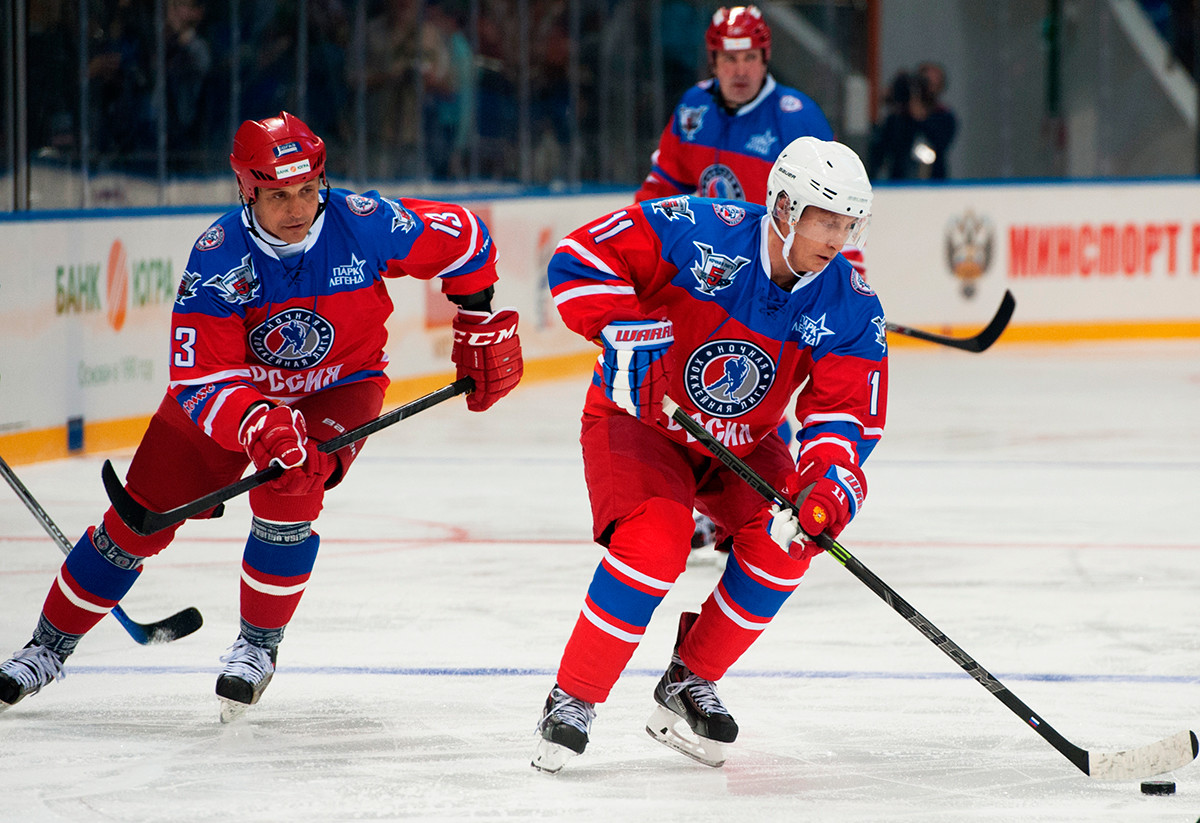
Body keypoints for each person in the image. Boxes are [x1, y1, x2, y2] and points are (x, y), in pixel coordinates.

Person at [0, 112, 523, 722]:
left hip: (339, 389)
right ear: (246, 190)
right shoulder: (218, 257)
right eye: (278, 195)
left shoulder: (364, 223)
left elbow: (464, 238)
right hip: (234, 401)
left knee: (292, 490)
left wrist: (478, 318)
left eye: (307, 190)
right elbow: (200, 380)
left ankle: (256, 646)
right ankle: (45, 649)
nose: (298, 207)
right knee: (137, 523)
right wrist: (259, 424)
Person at [533, 136, 888, 773]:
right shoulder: (697, 228)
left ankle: (688, 680)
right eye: (825, 220)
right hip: (641, 423)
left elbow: (845, 413)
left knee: (790, 540)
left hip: (743, 444)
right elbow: (579, 257)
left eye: (847, 223)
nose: (838, 238)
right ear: (782, 208)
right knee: (656, 543)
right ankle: (574, 697)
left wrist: (826, 483)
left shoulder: (850, 303)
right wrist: (623, 331)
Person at [634, 5, 834, 205]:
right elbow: (664, 185)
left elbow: (829, 202)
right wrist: (638, 227)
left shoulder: (800, 118)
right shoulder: (693, 106)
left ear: (765, 59)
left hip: (773, 236)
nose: (741, 71)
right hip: (711, 236)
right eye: (730, 58)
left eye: (750, 57)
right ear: (713, 62)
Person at [867, 62, 958, 181]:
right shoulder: (898, 118)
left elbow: (938, 143)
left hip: (933, 182)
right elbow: (880, 151)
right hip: (899, 181)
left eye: (930, 83)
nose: (925, 88)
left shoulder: (945, 117)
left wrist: (918, 111)